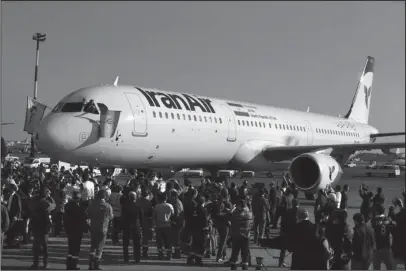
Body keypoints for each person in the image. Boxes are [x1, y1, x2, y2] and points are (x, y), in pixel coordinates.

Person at [87, 189, 114, 270]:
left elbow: (88, 214)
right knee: (100, 247)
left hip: (93, 227)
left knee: (93, 246)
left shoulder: (92, 205)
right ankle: (96, 264)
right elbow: (111, 217)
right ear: (105, 196)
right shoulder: (107, 206)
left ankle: (90, 264)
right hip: (103, 228)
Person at [30, 187, 55, 269]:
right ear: (46, 194)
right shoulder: (46, 203)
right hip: (44, 227)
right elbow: (53, 206)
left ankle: (35, 263)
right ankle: (45, 263)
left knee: (36, 246)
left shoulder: (34, 201)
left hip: (36, 226)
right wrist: (50, 197)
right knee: (45, 246)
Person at [64, 190, 88, 270]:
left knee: (70, 248)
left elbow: (65, 218)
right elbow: (83, 218)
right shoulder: (79, 208)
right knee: (76, 249)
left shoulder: (67, 206)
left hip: (69, 229)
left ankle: (69, 264)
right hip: (77, 230)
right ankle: (73, 266)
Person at [229, 196, 253, 270]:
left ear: (239, 205)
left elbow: (230, 218)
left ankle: (234, 267)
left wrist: (232, 209)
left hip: (236, 236)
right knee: (245, 254)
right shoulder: (249, 214)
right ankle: (245, 267)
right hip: (246, 236)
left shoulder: (235, 214)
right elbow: (252, 224)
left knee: (235, 253)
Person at [122, 191, 144, 263]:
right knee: (137, 243)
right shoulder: (138, 207)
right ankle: (137, 258)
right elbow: (141, 218)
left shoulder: (124, 206)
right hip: (136, 225)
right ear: (136, 198)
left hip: (126, 225)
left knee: (125, 243)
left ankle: (126, 258)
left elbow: (123, 217)